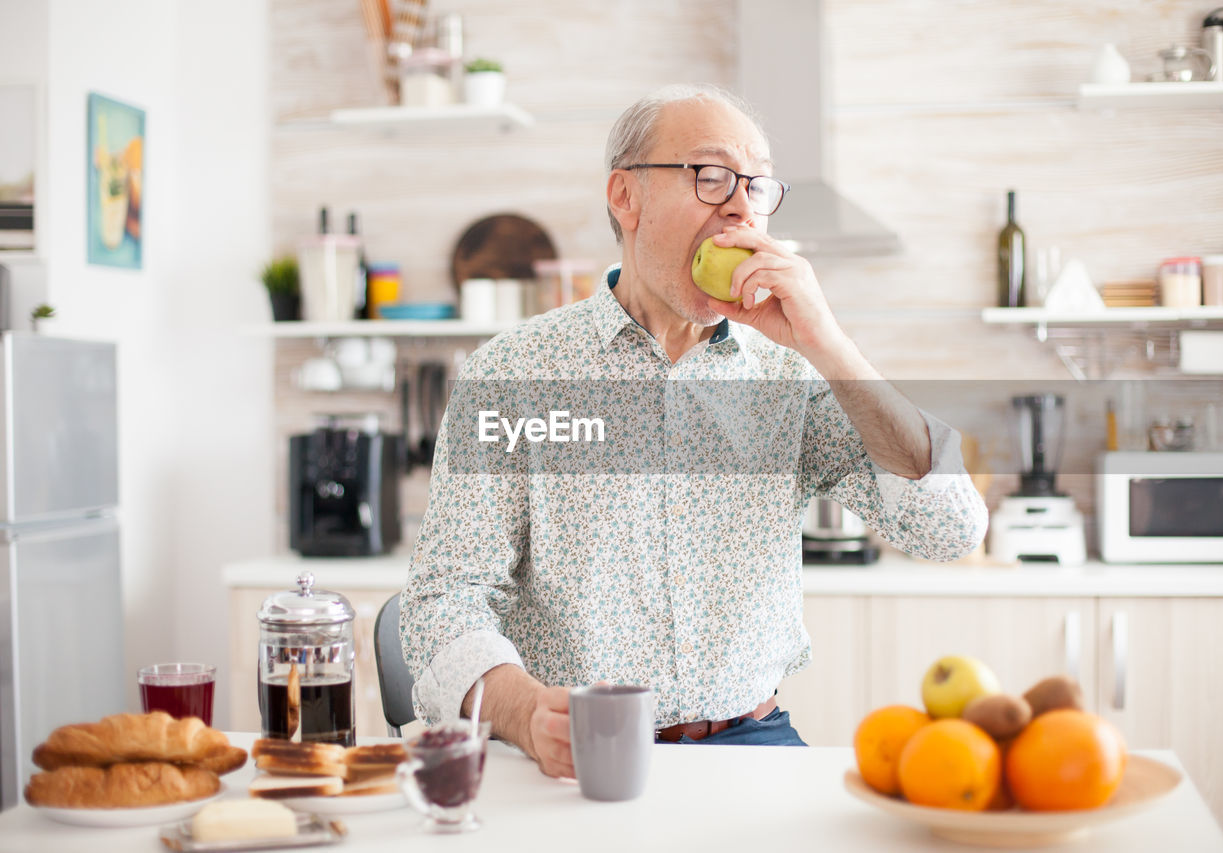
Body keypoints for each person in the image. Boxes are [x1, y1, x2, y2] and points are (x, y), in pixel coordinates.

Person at [400, 83, 987, 778]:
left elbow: (950, 529)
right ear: (626, 196)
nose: (742, 206)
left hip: (754, 744)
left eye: (759, 186)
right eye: (711, 177)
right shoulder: (515, 373)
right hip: (571, 756)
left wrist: (829, 345)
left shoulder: (790, 375)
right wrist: (524, 710)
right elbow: (443, 600)